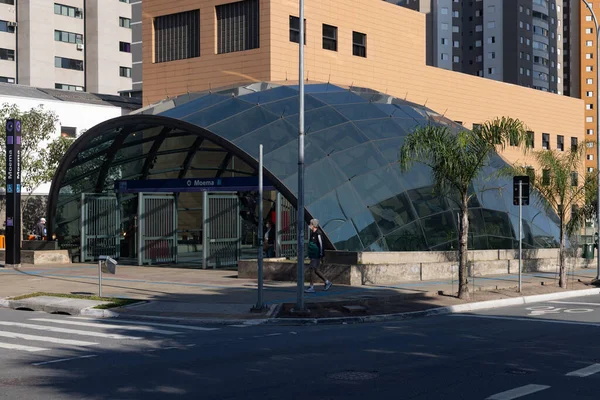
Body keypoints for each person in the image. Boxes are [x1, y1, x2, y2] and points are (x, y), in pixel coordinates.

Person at [305, 219, 332, 293]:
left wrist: (321, 255)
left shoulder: (318, 233)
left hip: (317, 255)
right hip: (313, 254)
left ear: (313, 225)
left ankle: (311, 287)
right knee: (316, 270)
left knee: (311, 269)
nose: (309, 225)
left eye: (310, 224)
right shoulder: (312, 233)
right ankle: (327, 282)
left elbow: (321, 244)